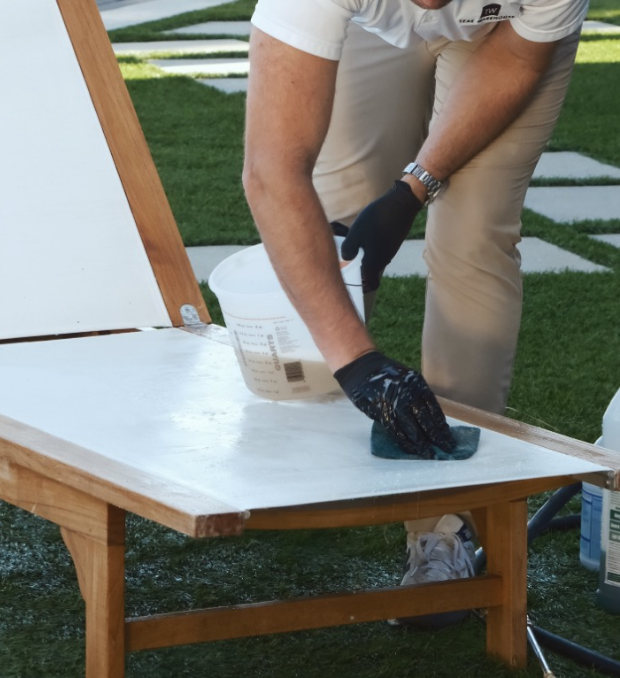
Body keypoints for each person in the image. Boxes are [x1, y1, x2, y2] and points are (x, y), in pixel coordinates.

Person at [242, 0, 587, 624]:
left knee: (472, 237)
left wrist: (414, 187)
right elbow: (272, 169)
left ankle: (444, 527)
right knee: (336, 207)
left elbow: (513, 57)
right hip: (379, 32)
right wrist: (355, 361)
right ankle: (310, 470)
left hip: (505, 35)